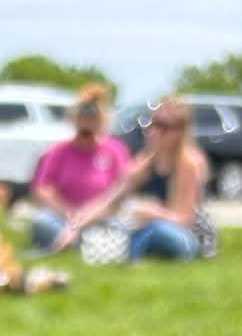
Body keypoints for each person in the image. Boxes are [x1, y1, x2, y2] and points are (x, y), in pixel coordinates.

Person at [71, 97, 213, 260]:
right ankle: (130, 251)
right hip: (146, 228)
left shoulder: (188, 165)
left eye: (163, 127)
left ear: (179, 132)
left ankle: (130, 254)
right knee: (113, 225)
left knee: (157, 230)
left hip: (185, 237)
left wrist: (154, 213)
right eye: (152, 123)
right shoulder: (143, 165)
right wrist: (77, 225)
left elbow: (185, 220)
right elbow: (110, 202)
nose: (154, 131)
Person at [26, 85, 129, 251]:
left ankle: (76, 242)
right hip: (64, 214)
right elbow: (43, 189)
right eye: (83, 119)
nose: (87, 125)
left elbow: (121, 189)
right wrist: (67, 212)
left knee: (120, 227)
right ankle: (84, 243)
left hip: (101, 214)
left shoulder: (115, 151)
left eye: (93, 119)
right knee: (42, 222)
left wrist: (88, 215)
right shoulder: (58, 151)